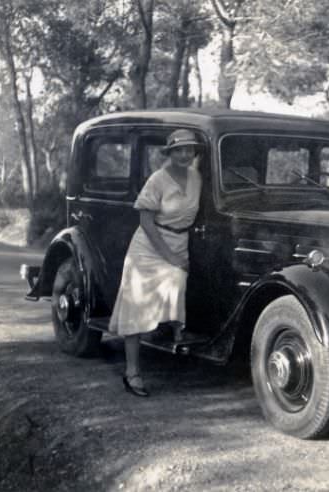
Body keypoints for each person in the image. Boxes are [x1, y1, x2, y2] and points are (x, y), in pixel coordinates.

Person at [109, 129, 203, 397]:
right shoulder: (158, 180)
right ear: (170, 153)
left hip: (179, 241)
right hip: (148, 247)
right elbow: (146, 221)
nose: (184, 154)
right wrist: (170, 256)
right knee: (135, 308)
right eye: (178, 150)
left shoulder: (196, 177)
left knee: (177, 282)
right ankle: (132, 373)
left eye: (189, 150)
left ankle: (172, 334)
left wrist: (176, 254)